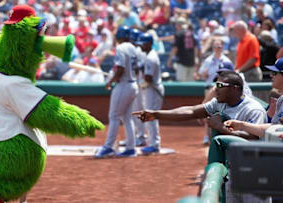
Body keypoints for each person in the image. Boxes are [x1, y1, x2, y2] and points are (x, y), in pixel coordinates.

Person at [133, 71, 267, 140]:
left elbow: (252, 138)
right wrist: (156, 114)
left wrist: (220, 127)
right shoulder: (220, 103)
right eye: (216, 85)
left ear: (235, 88)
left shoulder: (253, 110)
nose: (215, 89)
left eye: (220, 85)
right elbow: (191, 111)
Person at [94, 26, 139, 158]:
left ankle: (108, 147)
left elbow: (120, 69)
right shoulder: (133, 48)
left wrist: (111, 81)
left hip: (124, 85)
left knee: (114, 116)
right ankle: (131, 148)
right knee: (127, 118)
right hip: (133, 84)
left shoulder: (121, 47)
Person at [225, 57, 283, 136]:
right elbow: (272, 128)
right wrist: (241, 125)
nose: (271, 75)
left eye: (275, 73)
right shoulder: (281, 100)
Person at [136, 33, 164, 155]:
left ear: (148, 44)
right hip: (152, 89)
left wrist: (138, 85)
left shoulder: (150, 58)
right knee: (150, 116)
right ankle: (152, 143)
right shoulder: (150, 56)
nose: (140, 46)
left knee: (150, 117)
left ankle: (154, 145)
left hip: (153, 89)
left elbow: (148, 79)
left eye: (142, 44)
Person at [167, 17, 199, 81]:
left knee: (181, 83)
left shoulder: (178, 34)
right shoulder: (191, 33)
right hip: (191, 62)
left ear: (178, 25)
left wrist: (169, 60)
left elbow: (175, 48)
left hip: (182, 62)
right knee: (190, 85)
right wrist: (195, 58)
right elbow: (195, 47)